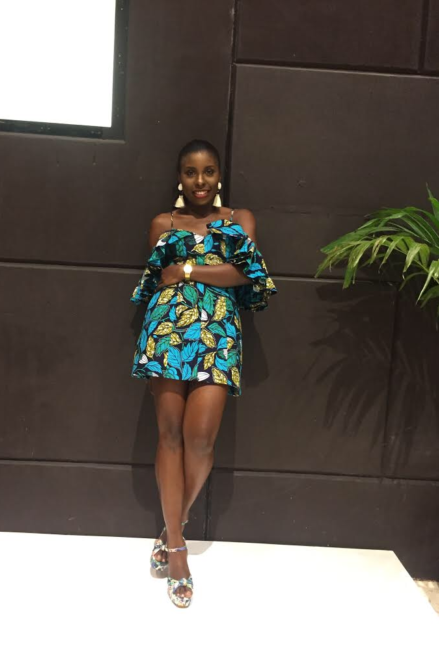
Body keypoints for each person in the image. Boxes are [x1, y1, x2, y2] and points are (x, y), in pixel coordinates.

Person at [130, 139, 277, 608]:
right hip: (167, 331)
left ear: (218, 176)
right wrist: (189, 272)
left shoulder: (239, 219)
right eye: (191, 172)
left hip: (218, 335)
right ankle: (176, 549)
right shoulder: (163, 223)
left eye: (208, 171)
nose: (200, 181)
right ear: (180, 178)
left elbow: (244, 273)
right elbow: (162, 278)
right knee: (169, 436)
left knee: (200, 441)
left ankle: (173, 524)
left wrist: (189, 269)